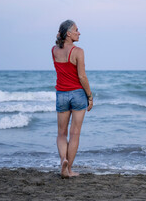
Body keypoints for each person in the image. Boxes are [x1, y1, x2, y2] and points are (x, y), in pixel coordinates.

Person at [52, 20, 93, 178]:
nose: (79, 32)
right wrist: (89, 96)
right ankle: (68, 170)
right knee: (74, 133)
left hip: (61, 94)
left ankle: (63, 160)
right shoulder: (78, 51)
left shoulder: (54, 50)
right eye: (76, 30)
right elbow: (82, 76)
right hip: (77, 94)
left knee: (61, 133)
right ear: (68, 33)